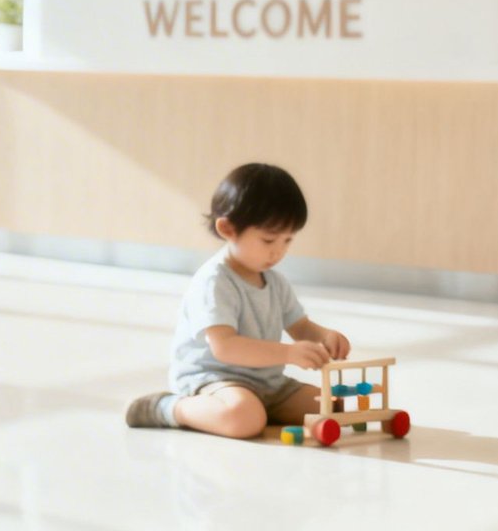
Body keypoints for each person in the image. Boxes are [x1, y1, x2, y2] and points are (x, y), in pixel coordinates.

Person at [124, 162, 350, 438]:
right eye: (269, 240)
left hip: (268, 382)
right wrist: (289, 354)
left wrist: (325, 336)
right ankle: (168, 408)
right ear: (228, 229)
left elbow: (301, 327)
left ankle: (260, 409)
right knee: (243, 418)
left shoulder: (274, 281)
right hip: (216, 380)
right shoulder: (215, 281)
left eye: (287, 240)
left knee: (335, 407)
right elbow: (225, 348)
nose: (278, 251)